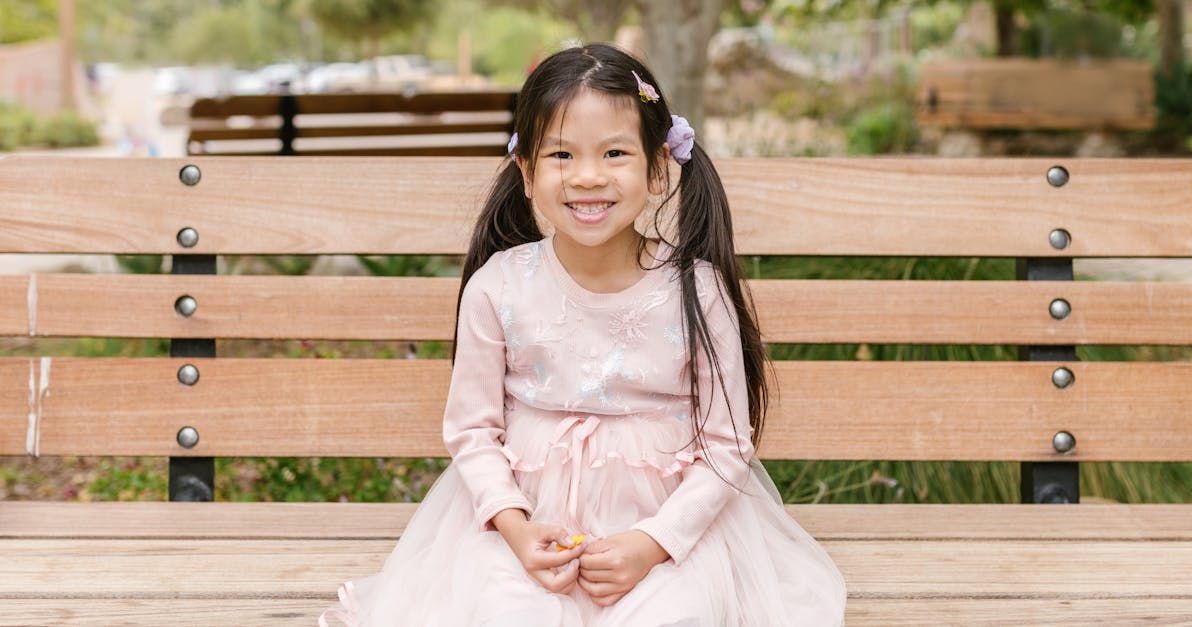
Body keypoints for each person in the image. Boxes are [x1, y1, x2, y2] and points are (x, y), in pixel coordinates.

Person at [318, 43, 847, 626]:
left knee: (673, 617)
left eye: (614, 152)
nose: (588, 176)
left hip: (670, 537)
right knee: (505, 612)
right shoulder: (500, 286)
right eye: (561, 154)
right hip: (526, 534)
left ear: (657, 167)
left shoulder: (696, 289)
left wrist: (652, 543)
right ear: (526, 172)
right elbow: (472, 430)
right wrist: (517, 530)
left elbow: (726, 445)